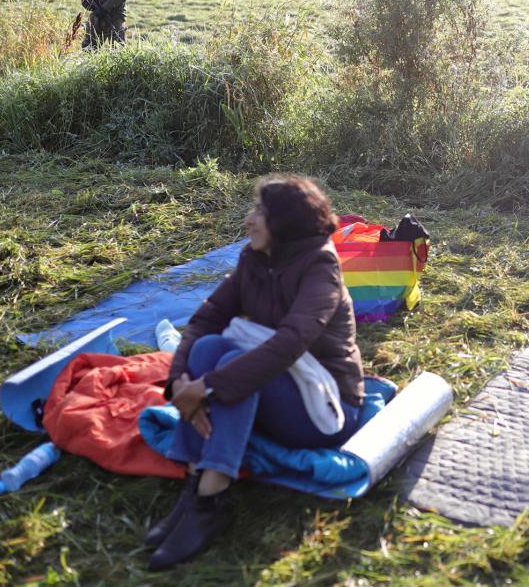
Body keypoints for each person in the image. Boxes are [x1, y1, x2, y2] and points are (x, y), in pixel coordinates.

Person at [145, 175, 365, 570]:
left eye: (260, 212)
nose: (249, 221)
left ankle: (213, 497)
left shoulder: (321, 267)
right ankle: (195, 485)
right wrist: (179, 379)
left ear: (285, 222)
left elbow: (290, 342)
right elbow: (207, 318)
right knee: (209, 346)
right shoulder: (254, 258)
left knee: (227, 365)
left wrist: (208, 387)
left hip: (326, 405)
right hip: (281, 388)